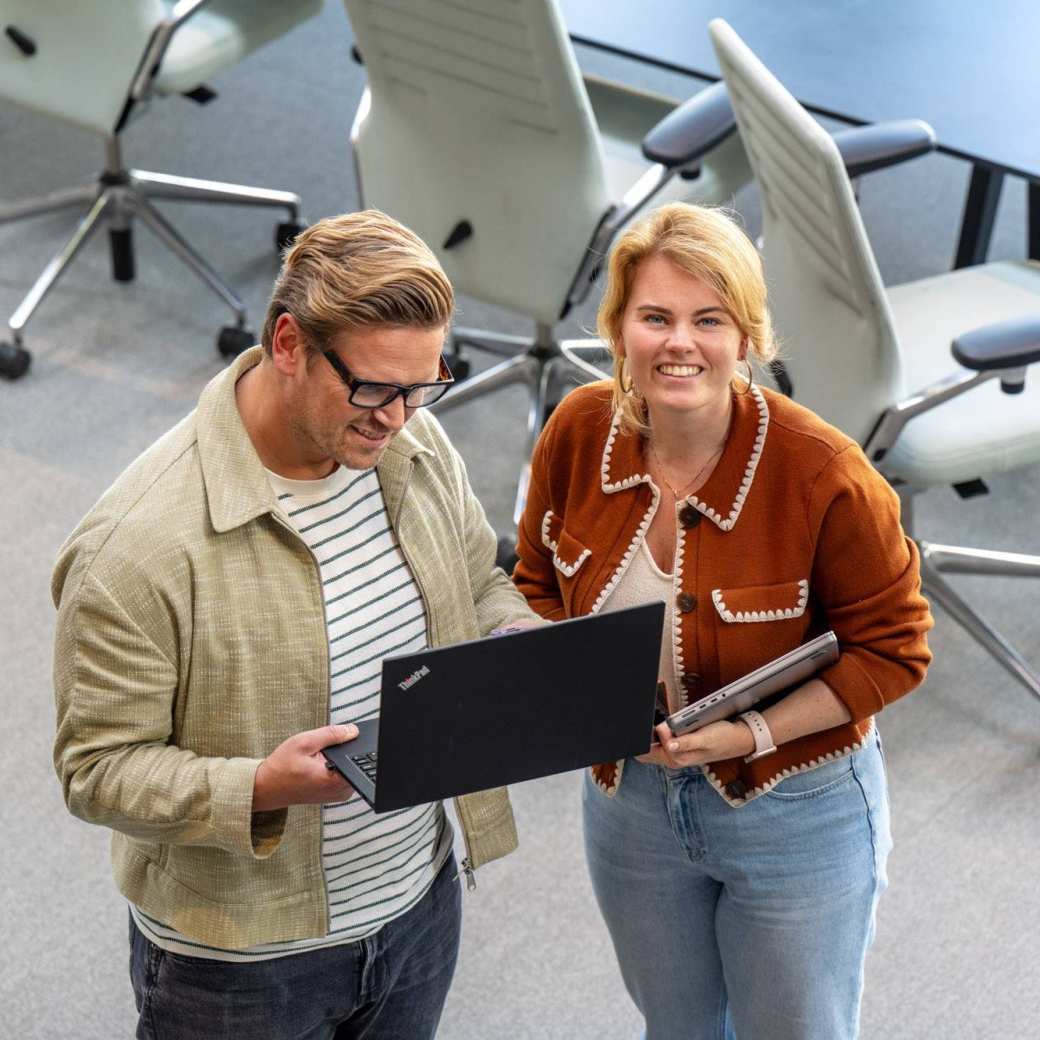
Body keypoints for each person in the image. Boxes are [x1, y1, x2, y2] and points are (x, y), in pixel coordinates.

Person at [52, 209, 541, 1040]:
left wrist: (512, 640)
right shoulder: (135, 548)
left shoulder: (413, 446)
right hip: (239, 968)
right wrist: (262, 788)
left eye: (424, 386)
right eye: (374, 388)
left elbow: (477, 582)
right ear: (288, 344)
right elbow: (95, 771)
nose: (397, 417)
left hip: (415, 906)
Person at [513, 202, 933, 1040]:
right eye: (655, 317)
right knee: (677, 1027)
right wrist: (567, 695)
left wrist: (749, 736)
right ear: (620, 330)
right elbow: (534, 583)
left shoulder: (824, 476)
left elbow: (895, 651)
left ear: (747, 338)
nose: (680, 343)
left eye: (710, 320)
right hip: (628, 796)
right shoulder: (576, 432)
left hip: (793, 805)